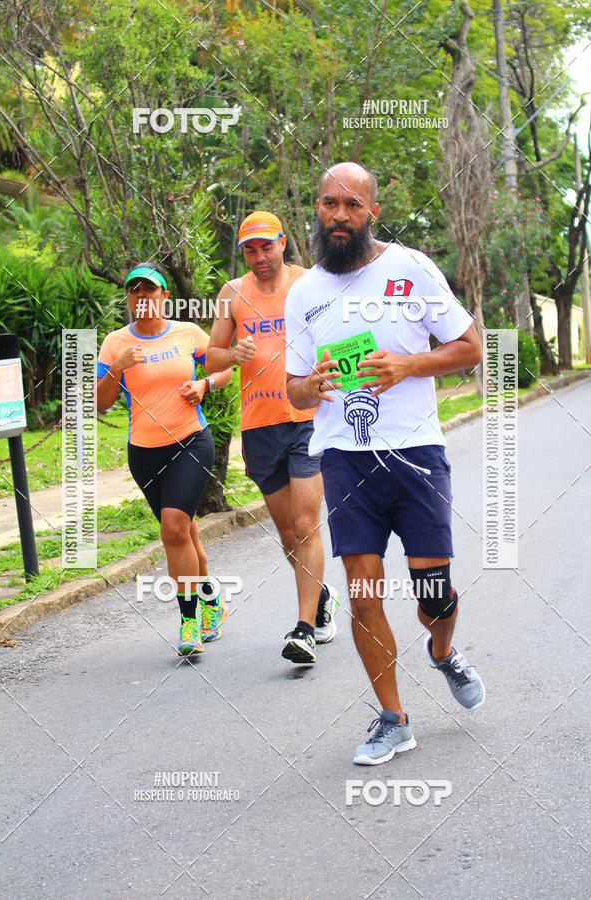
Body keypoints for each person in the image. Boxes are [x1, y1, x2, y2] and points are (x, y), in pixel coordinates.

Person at [285, 163, 485, 764]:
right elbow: (292, 389)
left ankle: (444, 651)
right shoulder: (305, 294)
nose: (338, 215)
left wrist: (406, 366)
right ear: (316, 210)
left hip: (416, 453)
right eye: (328, 203)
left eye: (351, 204)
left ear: (372, 211)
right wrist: (311, 385)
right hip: (346, 463)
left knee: (434, 596)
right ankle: (393, 719)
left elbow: (472, 347)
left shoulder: (410, 268)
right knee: (365, 594)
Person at [205, 211, 339, 664]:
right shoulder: (232, 294)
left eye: (267, 246)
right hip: (260, 424)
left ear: (283, 243)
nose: (260, 256)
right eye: (250, 249)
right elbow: (210, 357)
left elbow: (338, 331)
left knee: (305, 524)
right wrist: (231, 352)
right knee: (286, 533)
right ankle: (320, 598)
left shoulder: (309, 283)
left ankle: (304, 628)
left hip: (306, 416)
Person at [96, 262, 232, 656]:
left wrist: (204, 383)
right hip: (144, 452)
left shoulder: (187, 333)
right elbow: (101, 405)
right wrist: (116, 370)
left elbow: (224, 367)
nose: (142, 296)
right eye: (134, 290)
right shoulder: (115, 342)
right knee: (184, 532)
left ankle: (189, 622)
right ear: (128, 297)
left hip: (191, 441)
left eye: (149, 290)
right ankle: (211, 602)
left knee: (173, 528)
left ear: (164, 297)